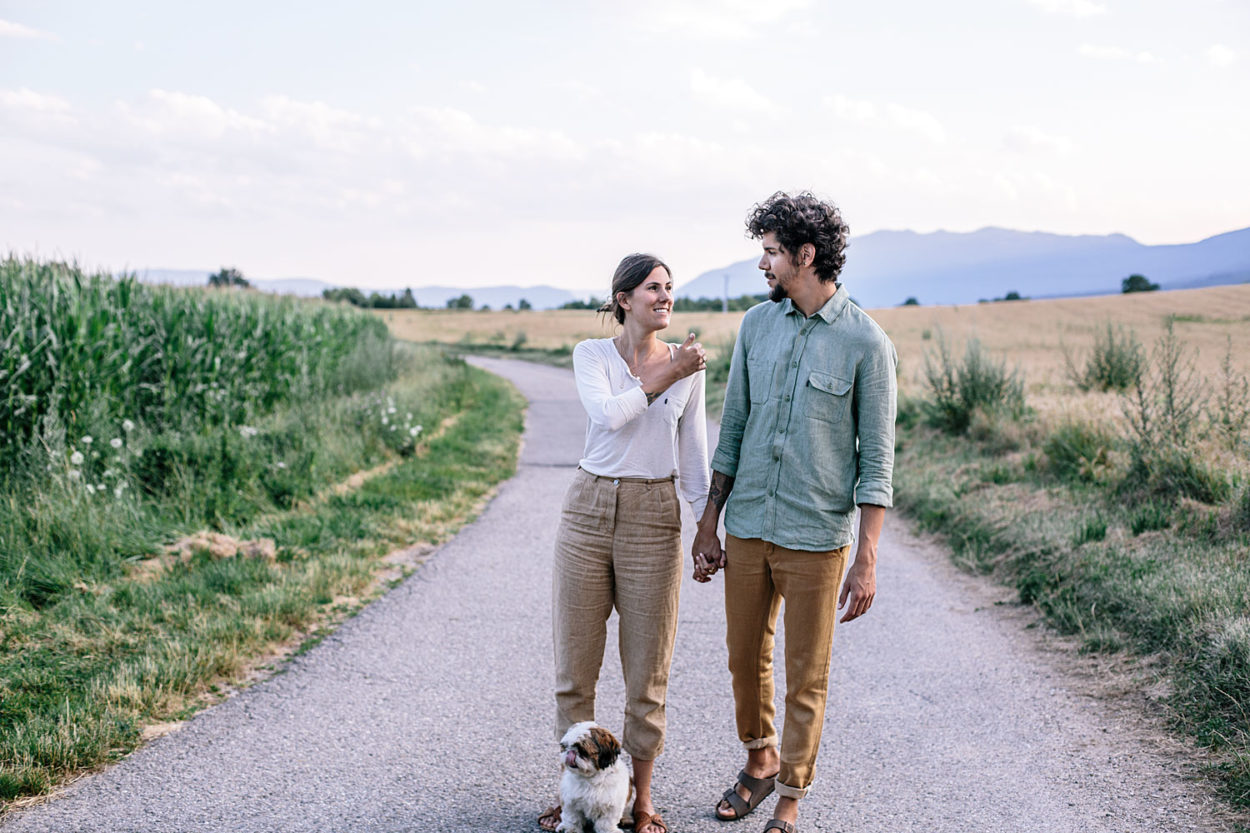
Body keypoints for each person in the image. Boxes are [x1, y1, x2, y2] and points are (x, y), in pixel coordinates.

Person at [691, 192, 897, 833]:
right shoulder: (756, 325)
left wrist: (865, 560)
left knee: (807, 674)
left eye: (772, 252)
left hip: (816, 536)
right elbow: (735, 427)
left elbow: (878, 464)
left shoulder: (867, 342)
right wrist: (709, 518)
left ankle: (789, 797)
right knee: (742, 656)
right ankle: (760, 760)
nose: (763, 264)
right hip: (749, 521)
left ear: (805, 256)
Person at [539, 253, 709, 833]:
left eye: (669, 287)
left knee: (647, 671)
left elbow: (693, 455)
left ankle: (641, 801)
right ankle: (573, 795)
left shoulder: (690, 367)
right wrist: (672, 371)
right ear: (623, 299)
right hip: (588, 508)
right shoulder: (593, 356)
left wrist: (706, 526)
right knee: (575, 667)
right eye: (652, 288)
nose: (665, 297)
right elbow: (611, 415)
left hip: (654, 514)